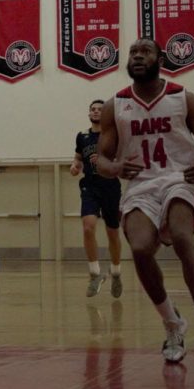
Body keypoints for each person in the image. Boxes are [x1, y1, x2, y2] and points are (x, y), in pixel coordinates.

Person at [96, 37, 194, 364]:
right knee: (140, 249)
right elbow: (100, 158)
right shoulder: (116, 105)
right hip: (141, 185)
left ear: (160, 59)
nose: (138, 57)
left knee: (183, 238)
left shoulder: (184, 98)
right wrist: (115, 167)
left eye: (145, 52)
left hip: (179, 179)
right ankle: (173, 323)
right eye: (133, 53)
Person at [70, 99, 123, 298]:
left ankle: (116, 272)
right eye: (92, 109)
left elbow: (122, 160)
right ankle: (95, 273)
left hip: (110, 186)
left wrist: (105, 161)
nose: (96, 112)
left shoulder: (114, 136)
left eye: (100, 109)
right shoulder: (82, 136)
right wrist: (75, 166)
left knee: (112, 233)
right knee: (88, 226)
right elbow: (77, 158)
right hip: (90, 185)